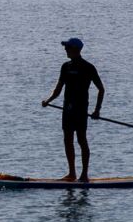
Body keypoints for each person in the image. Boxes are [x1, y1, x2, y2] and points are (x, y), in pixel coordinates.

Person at [41, 37, 104, 183]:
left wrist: (97, 110)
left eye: (68, 47)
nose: (65, 49)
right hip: (67, 109)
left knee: (81, 139)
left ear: (76, 49)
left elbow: (101, 89)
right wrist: (48, 100)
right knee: (67, 140)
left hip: (81, 109)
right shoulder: (65, 67)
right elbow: (58, 89)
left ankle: (84, 175)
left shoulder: (88, 67)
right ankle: (72, 173)